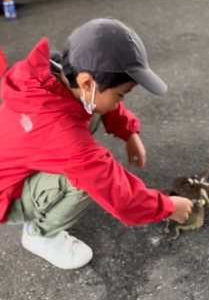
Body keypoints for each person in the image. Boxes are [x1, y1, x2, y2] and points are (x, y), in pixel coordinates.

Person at [0, 18, 193, 270]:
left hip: (19, 157)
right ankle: (40, 235)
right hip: (7, 196)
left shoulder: (57, 73)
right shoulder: (63, 133)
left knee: (92, 109)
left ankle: (43, 199)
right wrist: (167, 207)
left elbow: (99, 100)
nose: (119, 101)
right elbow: (113, 188)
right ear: (88, 83)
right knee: (83, 182)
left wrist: (129, 133)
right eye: (121, 94)